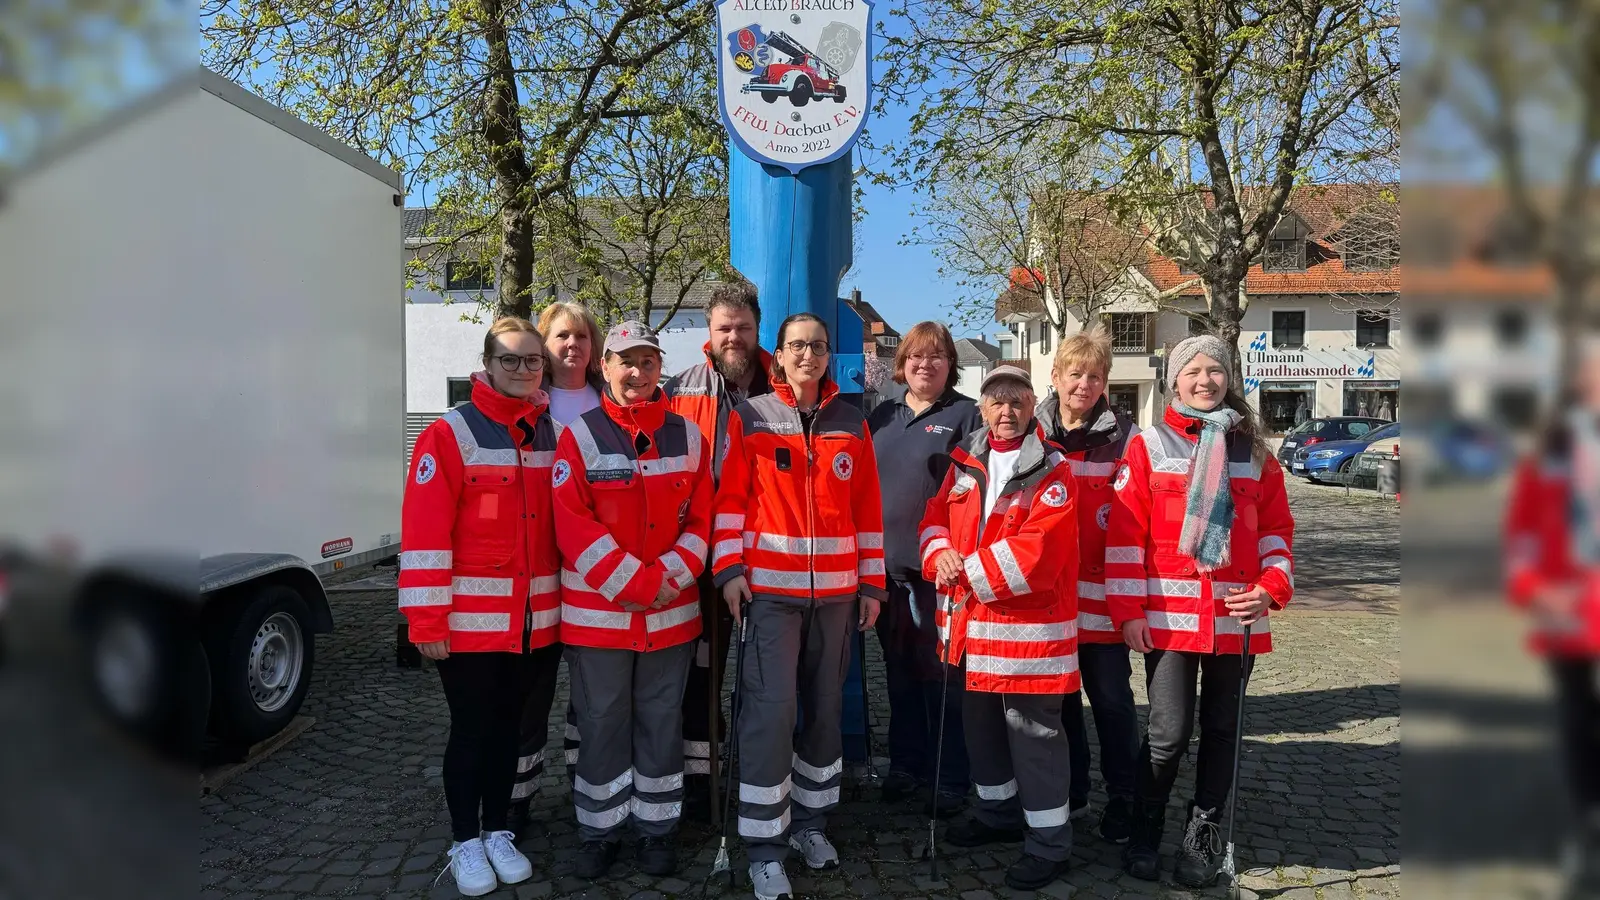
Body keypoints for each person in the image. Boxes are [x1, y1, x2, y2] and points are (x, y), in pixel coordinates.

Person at [1105, 334, 1295, 887]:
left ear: (1229, 379)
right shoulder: (1148, 445)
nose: (1205, 381)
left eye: (1216, 371)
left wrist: (1271, 587)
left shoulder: (1256, 452)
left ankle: (1203, 834)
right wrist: (1128, 612)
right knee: (1168, 733)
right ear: (1174, 380)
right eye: (1193, 372)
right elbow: (1125, 537)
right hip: (1167, 617)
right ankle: (1145, 829)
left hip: (1238, 617)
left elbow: (1278, 532)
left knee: (1222, 730)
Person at [710, 313, 885, 900]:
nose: (807, 354)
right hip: (770, 599)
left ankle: (810, 824)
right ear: (778, 356)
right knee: (770, 715)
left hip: (836, 598)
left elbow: (867, 512)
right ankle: (764, 845)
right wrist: (730, 570)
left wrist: (871, 584)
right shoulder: (751, 417)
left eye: (817, 346)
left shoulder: (851, 423)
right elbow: (730, 500)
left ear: (828, 355)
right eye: (796, 346)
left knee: (825, 713)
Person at [400, 317, 562, 897]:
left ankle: (498, 830)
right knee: (471, 731)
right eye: (510, 359)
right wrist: (426, 620)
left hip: (535, 622)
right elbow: (423, 533)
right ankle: (465, 839)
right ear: (487, 365)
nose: (522, 369)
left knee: (510, 734)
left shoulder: (550, 433)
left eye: (532, 360)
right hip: (467, 626)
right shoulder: (450, 434)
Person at [551, 320, 713, 879]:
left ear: (659, 368)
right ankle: (599, 831)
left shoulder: (690, 436)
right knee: (601, 723)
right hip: (601, 620)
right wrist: (640, 585)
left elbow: (703, 520)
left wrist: (669, 574)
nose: (636, 373)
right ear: (605, 367)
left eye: (647, 362)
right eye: (626, 361)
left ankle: (657, 829)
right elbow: (571, 525)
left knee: (661, 722)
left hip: (670, 618)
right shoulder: (580, 436)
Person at [918, 364, 1081, 891]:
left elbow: (1040, 554)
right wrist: (939, 552)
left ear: (1033, 405)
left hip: (1027, 635)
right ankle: (997, 815)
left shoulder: (1052, 468)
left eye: (1016, 401)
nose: (1005, 411)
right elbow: (934, 517)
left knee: (1033, 738)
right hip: (972, 630)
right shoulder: (965, 460)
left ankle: (1050, 844)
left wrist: (963, 570)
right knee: (981, 729)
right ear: (982, 407)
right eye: (996, 401)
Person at [662, 280, 773, 804]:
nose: (734, 337)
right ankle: (702, 782)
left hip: (769, 556)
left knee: (766, 674)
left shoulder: (784, 389)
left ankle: (763, 776)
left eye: (743, 328)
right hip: (698, 556)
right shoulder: (678, 389)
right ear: (709, 331)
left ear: (757, 329)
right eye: (724, 328)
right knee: (700, 673)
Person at [864, 321, 981, 817]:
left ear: (950, 364)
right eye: (915, 356)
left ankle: (950, 773)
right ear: (901, 363)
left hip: (939, 574)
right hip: (886, 573)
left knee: (943, 677)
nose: (924, 365)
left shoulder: (967, 415)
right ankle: (906, 764)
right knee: (900, 675)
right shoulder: (882, 416)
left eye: (936, 357)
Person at [1035, 326, 1141, 843]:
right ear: (1054, 377)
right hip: (1048, 603)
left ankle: (1124, 799)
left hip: (1103, 604)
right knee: (1059, 704)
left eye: (1094, 376)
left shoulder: (1127, 438)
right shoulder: (1031, 434)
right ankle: (1071, 792)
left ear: (1106, 383)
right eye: (1074, 373)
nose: (1083, 384)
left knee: (1113, 703)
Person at [505, 300, 606, 833]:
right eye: (563, 336)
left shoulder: (611, 401)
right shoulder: (529, 408)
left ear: (595, 350)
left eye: (583, 337)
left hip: (597, 577)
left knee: (589, 698)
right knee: (531, 696)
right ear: (544, 344)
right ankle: (516, 800)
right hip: (539, 574)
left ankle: (584, 788)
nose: (573, 346)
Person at [1504, 340, 1600, 896]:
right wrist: (1536, 590)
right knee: (1577, 723)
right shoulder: (1552, 450)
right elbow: (1523, 534)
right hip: (1570, 610)